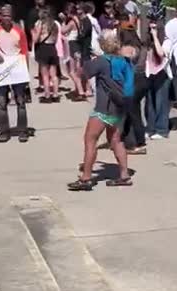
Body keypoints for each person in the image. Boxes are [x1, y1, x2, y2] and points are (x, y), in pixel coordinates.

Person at [68, 30, 133, 191]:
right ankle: (124, 175)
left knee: (90, 140)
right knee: (116, 140)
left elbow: (80, 74)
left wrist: (81, 60)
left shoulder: (101, 61)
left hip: (104, 108)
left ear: (103, 45)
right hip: (120, 107)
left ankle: (86, 178)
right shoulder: (124, 61)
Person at [0, 6, 31, 143]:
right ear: (0, 17)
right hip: (1, 70)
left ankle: (22, 130)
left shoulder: (19, 32)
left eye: (8, 16)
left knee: (21, 102)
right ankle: (4, 131)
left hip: (17, 70)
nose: (6, 18)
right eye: (3, 15)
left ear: (12, 17)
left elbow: (25, 53)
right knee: (1, 102)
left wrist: (26, 74)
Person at [119, 23, 149, 155]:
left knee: (131, 113)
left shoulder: (127, 48)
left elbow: (123, 66)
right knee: (135, 111)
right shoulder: (141, 46)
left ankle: (134, 142)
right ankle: (136, 139)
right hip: (142, 80)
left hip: (133, 81)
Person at [145, 18, 172, 140]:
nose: (152, 30)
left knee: (161, 102)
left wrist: (156, 37)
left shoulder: (167, 41)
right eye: (150, 28)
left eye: (154, 28)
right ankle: (151, 128)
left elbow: (161, 53)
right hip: (150, 74)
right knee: (150, 103)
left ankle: (162, 129)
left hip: (162, 74)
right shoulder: (147, 42)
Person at [33, 7, 60, 103]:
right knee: (54, 74)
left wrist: (34, 35)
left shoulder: (41, 23)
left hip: (43, 48)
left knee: (45, 75)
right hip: (53, 48)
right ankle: (56, 95)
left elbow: (36, 39)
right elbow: (56, 39)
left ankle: (47, 95)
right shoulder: (55, 25)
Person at [61, 3, 87, 101]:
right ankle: (78, 90)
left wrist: (63, 21)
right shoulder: (80, 20)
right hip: (78, 45)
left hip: (72, 45)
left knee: (71, 71)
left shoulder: (72, 22)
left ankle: (81, 91)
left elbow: (63, 31)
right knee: (77, 70)